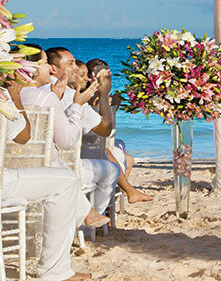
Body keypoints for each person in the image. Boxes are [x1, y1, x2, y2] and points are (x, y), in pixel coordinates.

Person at [16, 44, 110, 231]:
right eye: (44, 63)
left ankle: (87, 213)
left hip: (15, 166)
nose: (48, 68)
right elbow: (68, 141)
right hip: (43, 171)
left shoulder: (5, 95)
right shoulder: (47, 97)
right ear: (32, 69)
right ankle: (84, 222)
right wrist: (77, 105)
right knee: (73, 177)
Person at [48, 48, 120, 216]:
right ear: (53, 68)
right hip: (64, 169)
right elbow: (105, 129)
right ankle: (85, 224)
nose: (76, 68)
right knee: (112, 170)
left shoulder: (32, 91)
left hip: (32, 169)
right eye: (71, 64)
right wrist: (103, 95)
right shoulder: (71, 96)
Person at [84, 58, 152, 204]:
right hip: (91, 145)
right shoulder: (86, 96)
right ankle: (126, 191)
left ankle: (116, 193)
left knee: (125, 153)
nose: (107, 78)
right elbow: (102, 127)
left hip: (103, 142)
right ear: (90, 76)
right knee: (120, 155)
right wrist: (101, 98)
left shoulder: (109, 98)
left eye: (108, 75)